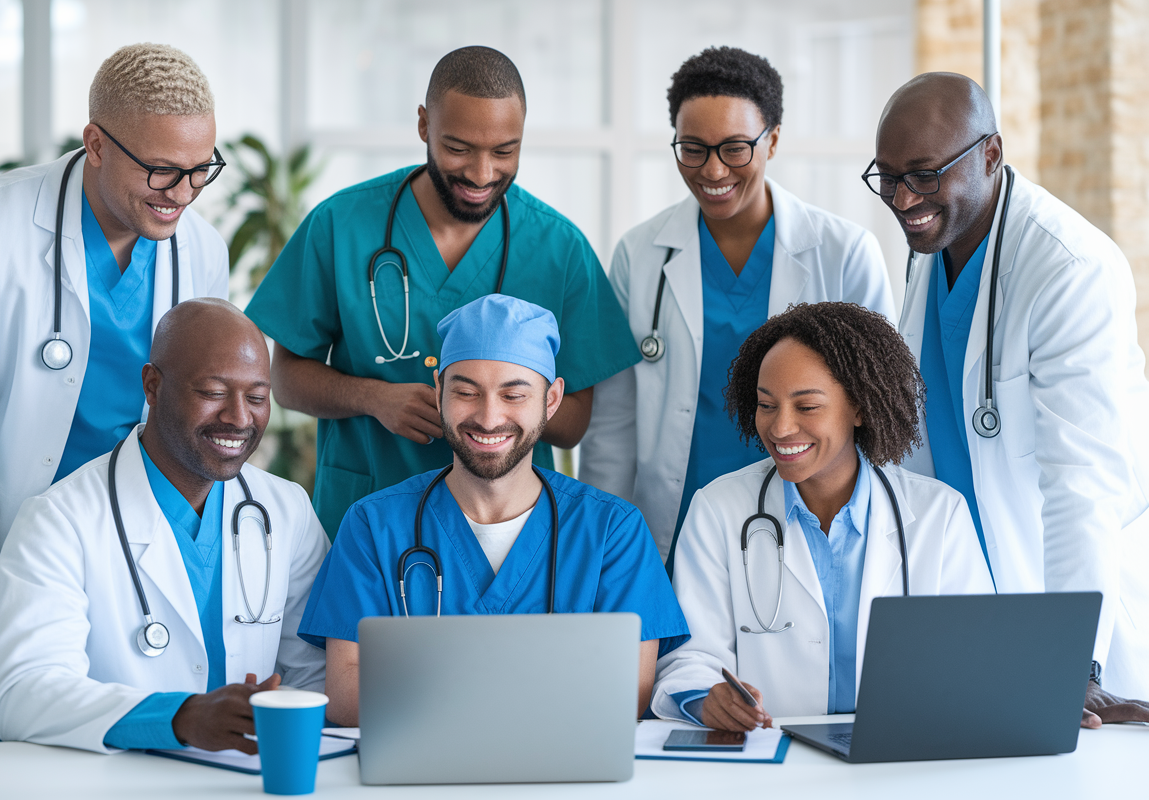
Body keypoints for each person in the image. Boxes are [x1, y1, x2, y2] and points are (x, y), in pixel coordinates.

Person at [0, 43, 231, 743]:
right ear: (96, 144)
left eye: (201, 170)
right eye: (162, 170)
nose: (183, 193)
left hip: (120, 564)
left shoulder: (199, 248)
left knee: (114, 743)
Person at [245, 46, 640, 539]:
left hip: (505, 528)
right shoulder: (339, 225)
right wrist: (373, 397)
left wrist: (496, 412)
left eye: (504, 151)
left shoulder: (560, 249)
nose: (481, 173)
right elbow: (285, 379)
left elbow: (575, 420)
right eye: (458, 148)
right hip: (365, 514)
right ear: (423, 125)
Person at [868, 72, 1149, 724]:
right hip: (969, 604)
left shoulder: (1069, 267)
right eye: (886, 176)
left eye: (924, 174)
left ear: (990, 154)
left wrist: (1076, 658)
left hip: (1067, 617)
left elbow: (1083, 482)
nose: (903, 197)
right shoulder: (931, 249)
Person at [296, 295, 689, 725]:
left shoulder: (613, 531)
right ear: (439, 390)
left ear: (552, 399)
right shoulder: (372, 526)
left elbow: (626, 695)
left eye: (514, 395)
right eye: (466, 392)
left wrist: (432, 690)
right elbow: (346, 695)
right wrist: (539, 691)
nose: (488, 417)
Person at [581, 47, 894, 566]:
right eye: (693, 148)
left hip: (809, 516)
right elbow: (612, 426)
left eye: (734, 148)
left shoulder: (843, 253)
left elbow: (877, 408)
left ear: (772, 139)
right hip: (673, 528)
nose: (712, 169)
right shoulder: (639, 256)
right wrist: (601, 550)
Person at [0, 299, 328, 753]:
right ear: (152, 385)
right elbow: (21, 693)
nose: (240, 418)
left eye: (257, 397)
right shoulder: (59, 521)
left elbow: (312, 673)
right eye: (213, 392)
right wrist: (179, 716)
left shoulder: (287, 510)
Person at [652, 302, 993, 729]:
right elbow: (690, 659)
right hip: (771, 760)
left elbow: (976, 662)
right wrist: (707, 700)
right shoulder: (717, 510)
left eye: (806, 406)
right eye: (767, 405)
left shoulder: (939, 515)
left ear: (860, 408)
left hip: (897, 757)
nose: (780, 429)